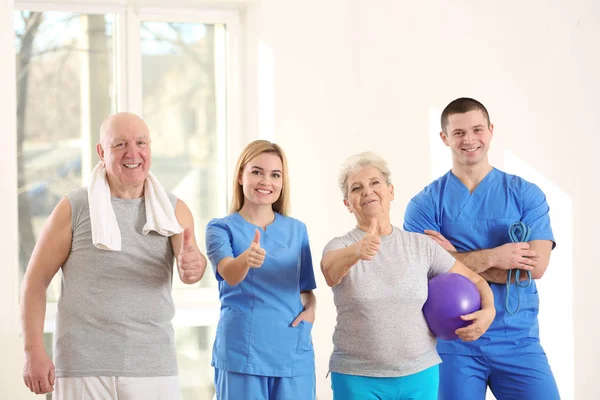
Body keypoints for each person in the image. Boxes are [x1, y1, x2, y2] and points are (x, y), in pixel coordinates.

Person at [21, 112, 207, 399]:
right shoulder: (74, 208)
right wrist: (33, 351)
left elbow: (191, 266)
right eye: (120, 144)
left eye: (141, 143)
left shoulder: (174, 209)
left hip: (153, 368)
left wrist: (195, 265)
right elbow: (35, 281)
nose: (133, 153)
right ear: (101, 152)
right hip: (83, 368)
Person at [404, 97, 560, 400]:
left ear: (490, 131)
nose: (469, 140)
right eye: (459, 132)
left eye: (477, 129)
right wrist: (497, 256)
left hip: (518, 340)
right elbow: (421, 272)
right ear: (444, 138)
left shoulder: (525, 195)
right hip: (453, 342)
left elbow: (535, 268)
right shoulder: (425, 204)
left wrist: (453, 261)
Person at [321, 151, 495, 400]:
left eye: (375, 183)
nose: (367, 191)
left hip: (419, 374)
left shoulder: (421, 246)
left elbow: (476, 280)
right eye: (356, 188)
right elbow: (329, 271)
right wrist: (357, 251)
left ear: (391, 191)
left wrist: (489, 310)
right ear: (348, 203)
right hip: (357, 378)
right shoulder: (339, 246)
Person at [205, 140, 317, 400]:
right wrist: (246, 259)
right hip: (242, 352)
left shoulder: (297, 230)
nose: (266, 181)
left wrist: (311, 311)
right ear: (240, 175)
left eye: (275, 175)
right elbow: (230, 274)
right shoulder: (220, 228)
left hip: (292, 351)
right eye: (257, 172)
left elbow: (305, 290)